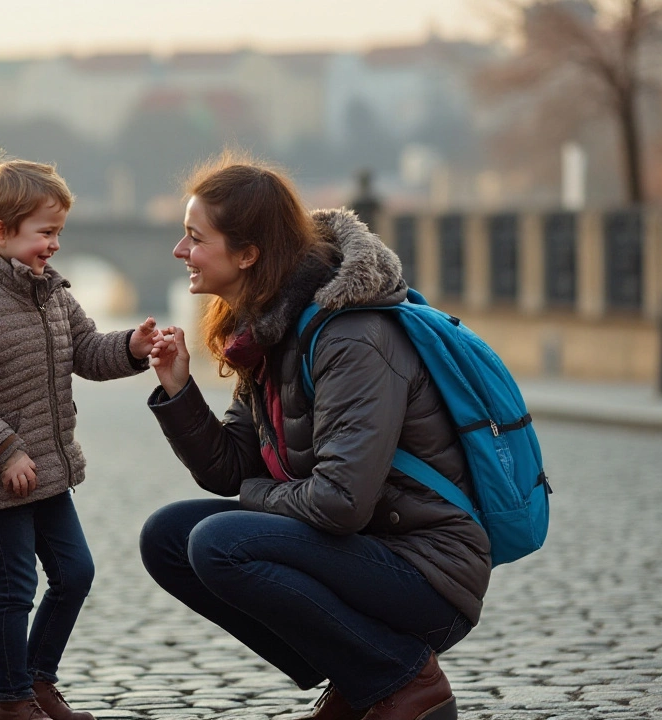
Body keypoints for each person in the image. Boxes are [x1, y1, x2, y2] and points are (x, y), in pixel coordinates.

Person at [138, 153, 489, 720]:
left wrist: (250, 499)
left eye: (194, 237)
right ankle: (360, 676)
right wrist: (180, 391)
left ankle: (404, 679)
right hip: (361, 558)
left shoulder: (350, 336)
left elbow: (340, 502)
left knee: (218, 542)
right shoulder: (270, 330)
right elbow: (230, 469)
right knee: (168, 537)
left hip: (425, 576)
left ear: (248, 254)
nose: (180, 251)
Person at [0, 141, 157, 720]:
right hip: (0, 479)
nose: (54, 245)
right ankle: (13, 701)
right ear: (0, 232)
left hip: (51, 472)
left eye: (58, 233)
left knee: (76, 574)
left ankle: (38, 681)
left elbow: (88, 352)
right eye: (43, 233)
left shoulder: (52, 291)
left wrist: (130, 348)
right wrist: (4, 450)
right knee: (15, 590)